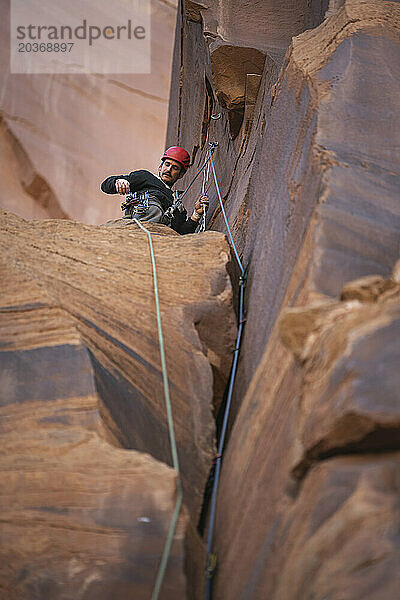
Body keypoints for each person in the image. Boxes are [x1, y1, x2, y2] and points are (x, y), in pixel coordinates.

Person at [101, 146, 208, 234]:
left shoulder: (179, 208)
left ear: (181, 175)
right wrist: (118, 182)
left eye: (175, 168)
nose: (169, 169)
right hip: (137, 228)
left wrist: (196, 214)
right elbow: (105, 185)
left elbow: (181, 234)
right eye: (167, 164)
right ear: (160, 167)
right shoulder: (146, 177)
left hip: (160, 238)